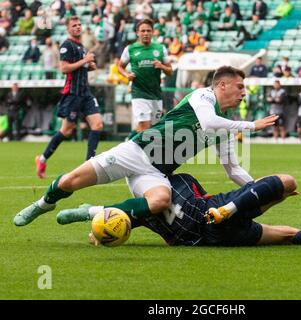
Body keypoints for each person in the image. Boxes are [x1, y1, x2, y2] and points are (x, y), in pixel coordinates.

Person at [13, 66, 279, 227]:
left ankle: (92, 212)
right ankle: (44, 203)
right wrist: (251, 125)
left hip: (156, 173)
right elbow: (207, 123)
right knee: (70, 181)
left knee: (160, 201)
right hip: (135, 153)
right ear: (222, 85)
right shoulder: (203, 96)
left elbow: (233, 170)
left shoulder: (227, 126)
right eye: (240, 86)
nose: (244, 92)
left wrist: (259, 187)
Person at [56, 172, 301, 248]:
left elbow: (118, 218)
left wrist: (98, 228)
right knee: (285, 181)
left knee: (287, 235)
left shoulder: (140, 209)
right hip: (215, 213)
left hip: (211, 238)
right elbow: (118, 216)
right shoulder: (178, 181)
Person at [34, 15, 103, 179]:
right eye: (74, 25)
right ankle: (42, 159)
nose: (78, 27)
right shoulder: (67, 45)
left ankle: (89, 162)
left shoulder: (82, 46)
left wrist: (90, 66)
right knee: (66, 130)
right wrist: (85, 60)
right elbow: (64, 68)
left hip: (85, 92)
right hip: (72, 93)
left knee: (97, 125)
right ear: (68, 28)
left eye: (79, 25)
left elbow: (81, 68)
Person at [117, 19, 173, 138]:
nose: (146, 33)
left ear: (153, 32)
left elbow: (170, 71)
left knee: (153, 128)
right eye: (143, 31)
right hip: (139, 93)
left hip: (155, 94)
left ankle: (130, 142)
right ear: (137, 32)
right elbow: (120, 67)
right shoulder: (130, 49)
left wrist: (161, 66)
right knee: (145, 127)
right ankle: (144, 155)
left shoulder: (160, 48)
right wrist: (127, 75)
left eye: (148, 30)